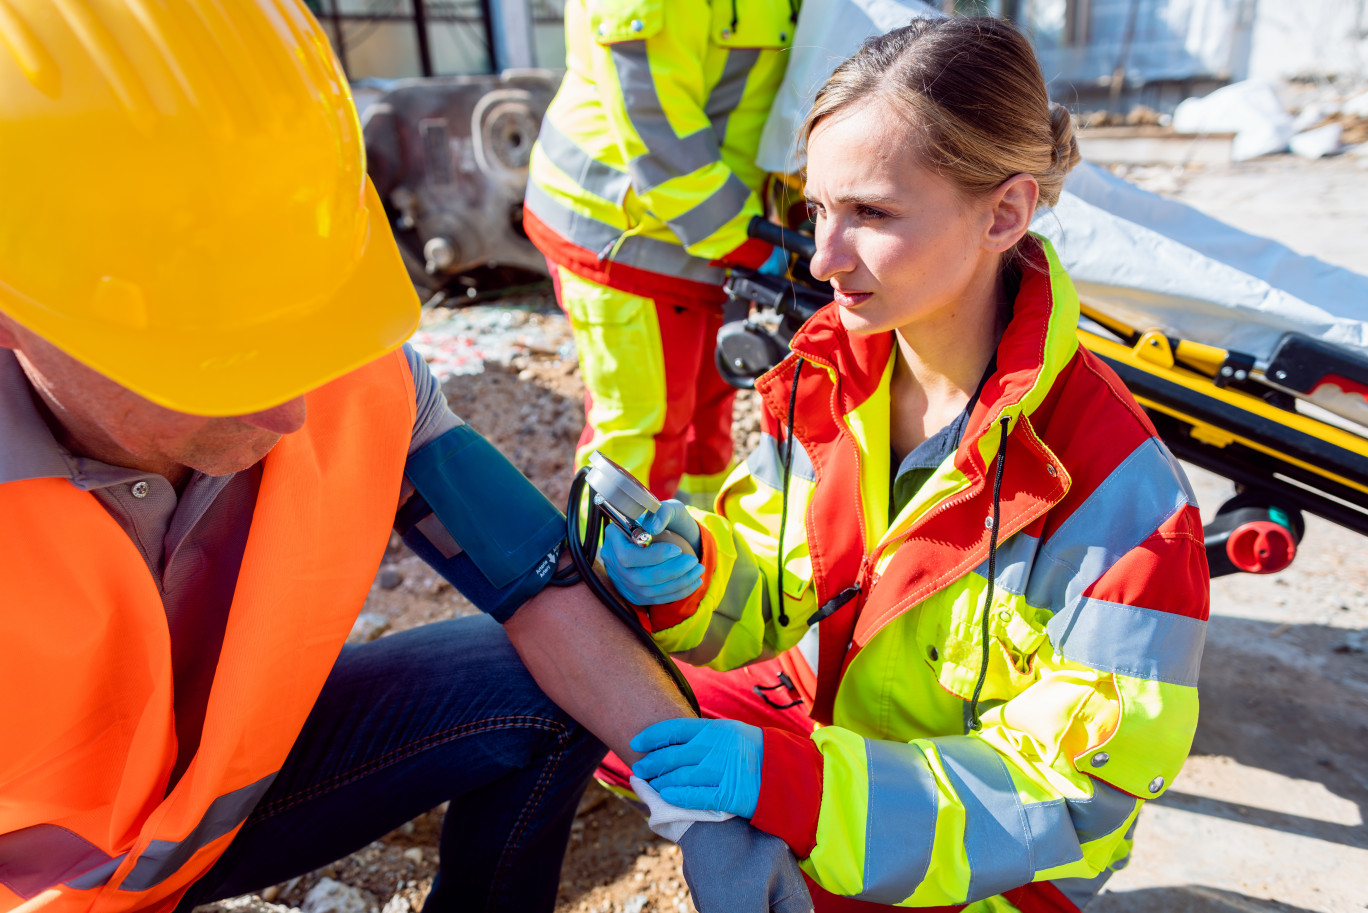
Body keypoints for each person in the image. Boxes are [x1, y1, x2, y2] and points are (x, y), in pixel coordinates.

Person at [0, 3, 809, 912]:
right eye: (219, 358)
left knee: (543, 691)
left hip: (208, 825)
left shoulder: (355, 377)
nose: (294, 407)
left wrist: (704, 811)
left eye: (303, 331)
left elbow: (544, 589)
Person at [600, 16, 1210, 912]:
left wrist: (798, 788)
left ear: (1006, 211)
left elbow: (1069, 796)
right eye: (817, 209)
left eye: (871, 214)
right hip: (848, 745)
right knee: (591, 713)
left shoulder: (1123, 495)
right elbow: (784, 592)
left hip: (1003, 872)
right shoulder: (827, 381)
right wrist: (693, 574)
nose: (823, 257)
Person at [523, 0, 797, 510]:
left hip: (711, 229)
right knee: (643, 432)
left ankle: (696, 558)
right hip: (627, 232)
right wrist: (747, 239)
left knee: (702, 418)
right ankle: (610, 581)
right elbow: (653, 117)